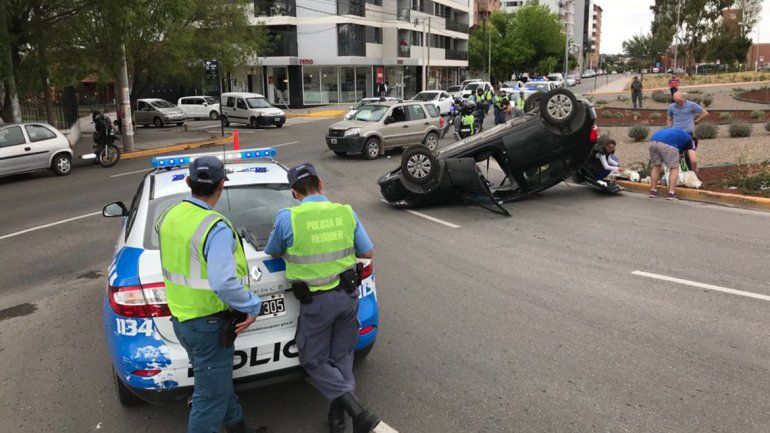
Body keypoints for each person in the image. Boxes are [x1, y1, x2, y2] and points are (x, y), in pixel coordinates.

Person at [264, 164, 381, 433]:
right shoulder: (345, 212)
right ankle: (338, 419)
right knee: (342, 357)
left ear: (294, 192)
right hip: (348, 298)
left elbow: (272, 251)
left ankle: (357, 411)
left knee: (313, 361)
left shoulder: (287, 218)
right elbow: (368, 251)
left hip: (317, 304)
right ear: (321, 183)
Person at [156, 156, 267, 433]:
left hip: (183, 320)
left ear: (187, 182)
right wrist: (253, 305)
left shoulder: (169, 215)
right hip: (209, 325)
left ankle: (239, 428)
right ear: (221, 185)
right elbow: (223, 282)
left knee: (216, 384)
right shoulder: (215, 227)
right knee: (210, 398)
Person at [647, 127, 698, 200]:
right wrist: (694, 170)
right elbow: (693, 161)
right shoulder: (690, 140)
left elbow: (678, 149)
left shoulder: (679, 133)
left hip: (653, 141)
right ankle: (671, 193)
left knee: (656, 166)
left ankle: (653, 191)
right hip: (668, 144)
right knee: (674, 168)